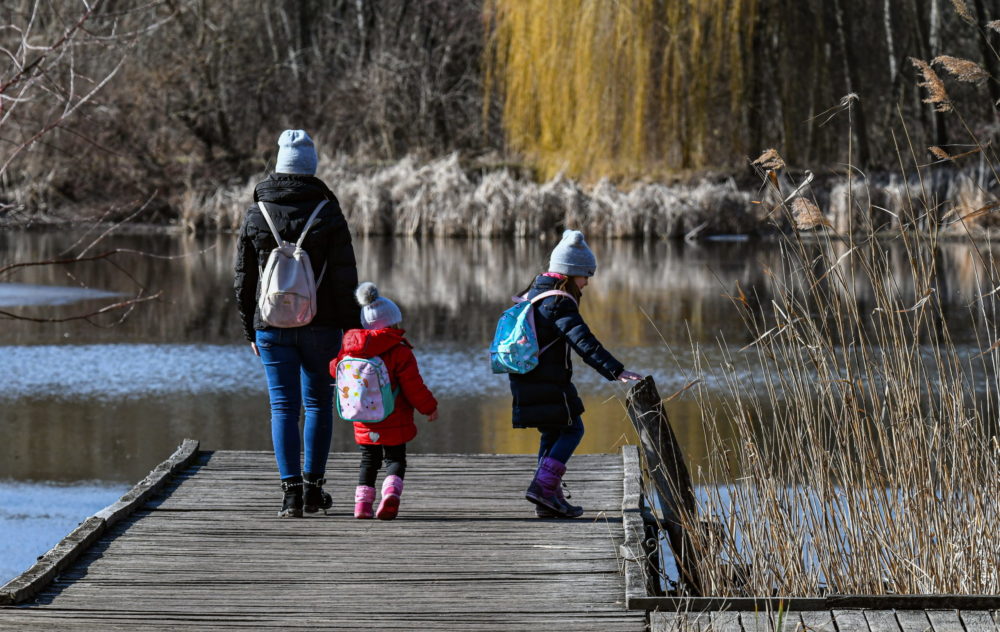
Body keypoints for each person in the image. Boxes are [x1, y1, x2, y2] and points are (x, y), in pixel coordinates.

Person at [234, 129, 360, 518]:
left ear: (278, 165)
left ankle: (290, 495)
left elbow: (244, 279)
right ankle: (313, 490)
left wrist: (250, 328)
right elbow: (344, 279)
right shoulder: (328, 212)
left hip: (271, 325)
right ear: (311, 165)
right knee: (318, 403)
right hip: (322, 325)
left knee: (283, 407)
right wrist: (351, 330)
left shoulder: (257, 212)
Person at [509, 230, 642, 518]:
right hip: (549, 381)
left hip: (525, 378)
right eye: (585, 276)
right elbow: (583, 341)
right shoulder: (559, 302)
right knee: (573, 429)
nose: (587, 283)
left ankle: (548, 500)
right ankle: (543, 488)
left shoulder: (533, 293)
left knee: (552, 432)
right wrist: (615, 370)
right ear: (570, 274)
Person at [332, 282, 438, 520]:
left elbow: (333, 370)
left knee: (368, 460)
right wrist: (429, 407)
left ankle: (362, 506)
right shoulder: (400, 351)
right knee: (395, 458)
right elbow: (413, 386)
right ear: (393, 322)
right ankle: (390, 492)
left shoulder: (350, 349)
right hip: (394, 415)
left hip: (362, 417)